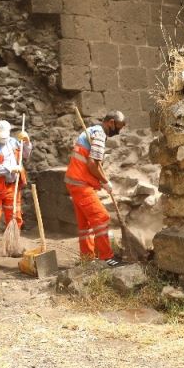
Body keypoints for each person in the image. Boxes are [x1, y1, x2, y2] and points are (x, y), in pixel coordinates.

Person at [64, 110, 125, 267]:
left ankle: (87, 259)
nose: (119, 131)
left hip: (75, 181)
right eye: (119, 127)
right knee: (101, 217)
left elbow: (94, 163)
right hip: (80, 183)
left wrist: (101, 180)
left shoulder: (93, 131)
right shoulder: (99, 135)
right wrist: (105, 182)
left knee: (86, 224)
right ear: (111, 122)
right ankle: (106, 257)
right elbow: (92, 164)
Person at [0, 119, 31, 259]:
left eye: (5, 136)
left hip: (11, 186)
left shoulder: (14, 142)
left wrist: (26, 142)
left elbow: (25, 155)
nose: (3, 139)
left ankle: (13, 246)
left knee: (15, 217)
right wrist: (11, 168)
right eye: (0, 136)